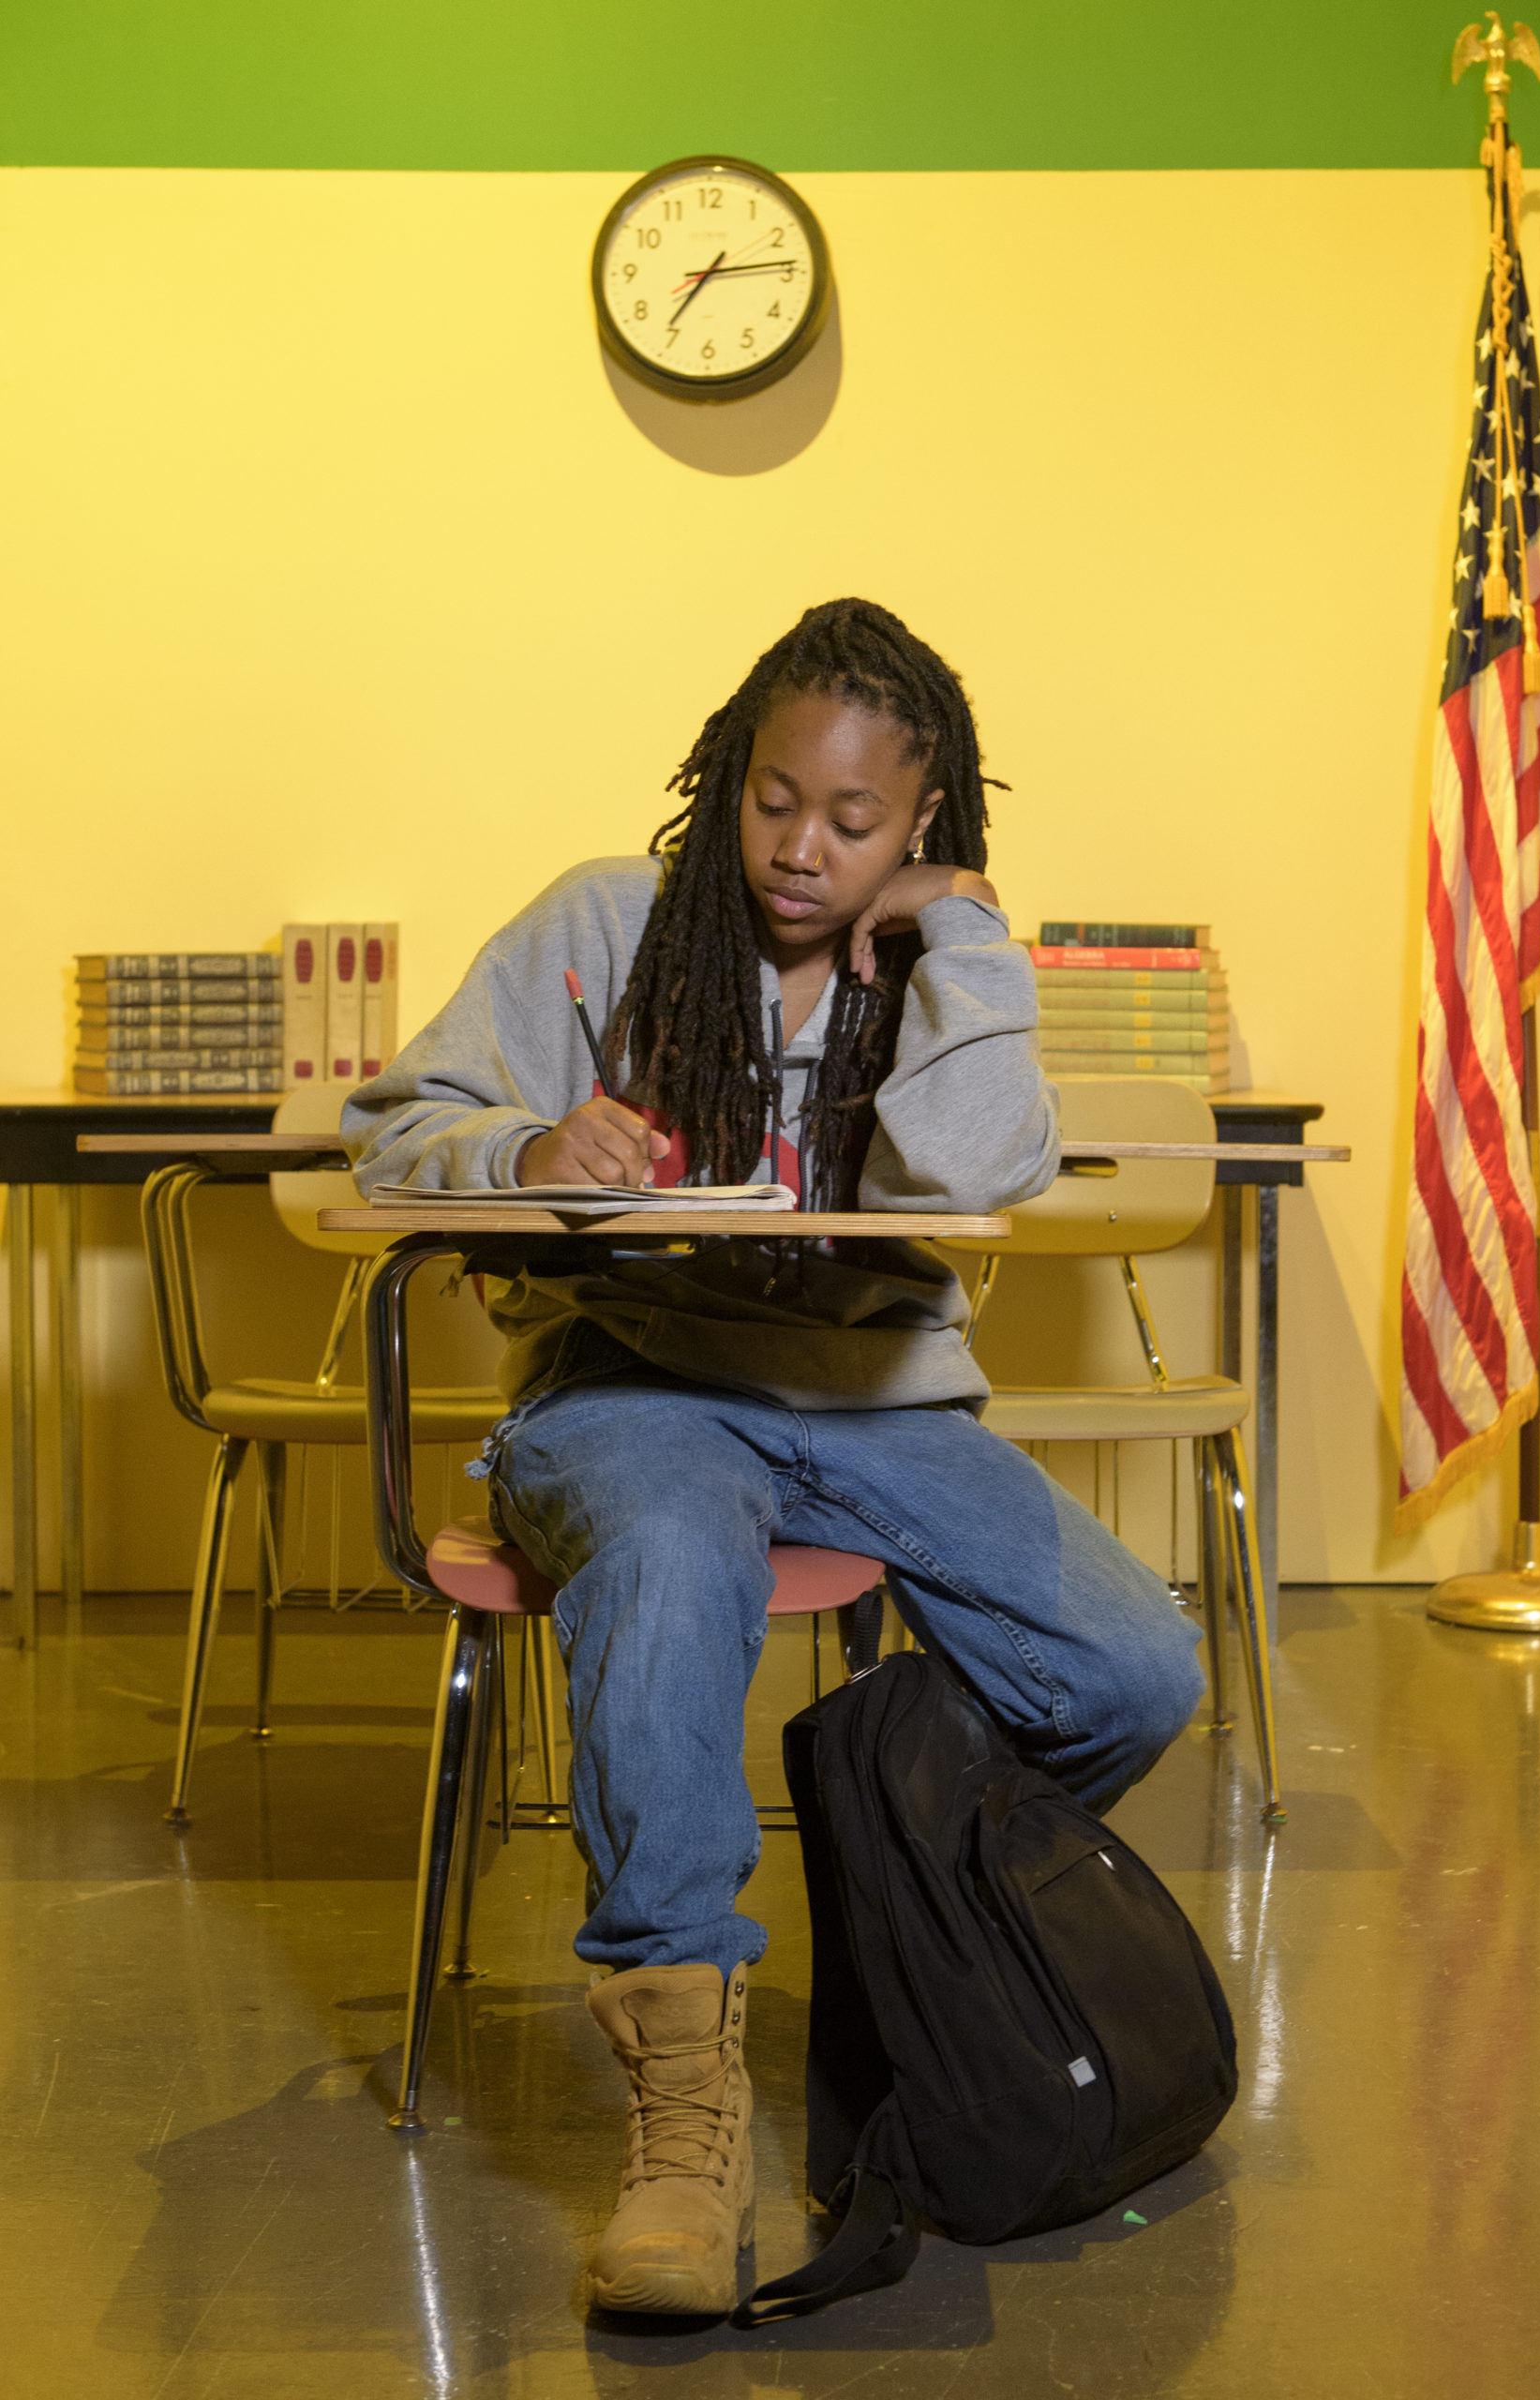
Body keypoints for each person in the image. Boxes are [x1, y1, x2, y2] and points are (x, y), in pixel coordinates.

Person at [345, 597, 1205, 2316]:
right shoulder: (608, 919)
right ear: (725, 780)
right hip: (632, 1387)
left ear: (926, 818)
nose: (801, 850)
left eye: (857, 821)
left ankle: (913, 1912)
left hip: (874, 1402)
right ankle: (682, 2111)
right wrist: (533, 1142)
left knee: (1134, 1664)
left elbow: (973, 1154)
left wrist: (960, 932)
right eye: (770, 801)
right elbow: (395, 1128)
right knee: (666, 1563)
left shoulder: (940, 948)